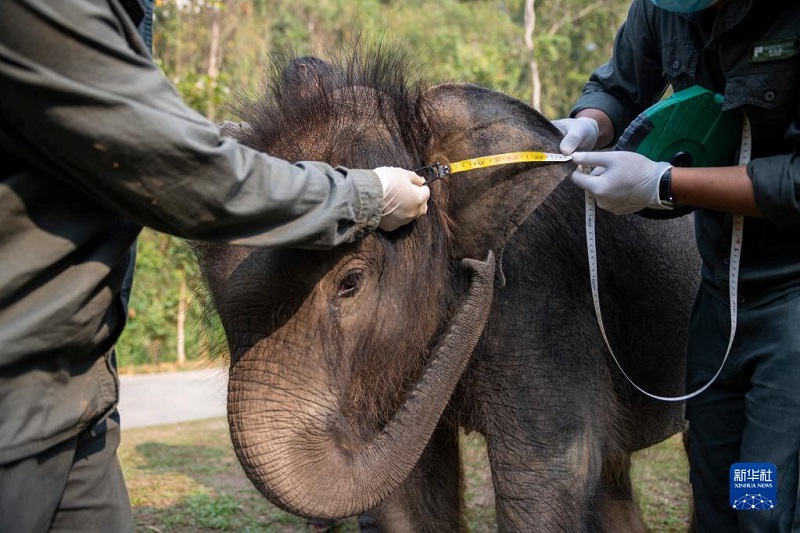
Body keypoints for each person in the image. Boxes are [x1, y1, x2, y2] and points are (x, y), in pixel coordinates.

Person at [0, 1, 430, 531]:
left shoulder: (119, 12)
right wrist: (364, 197)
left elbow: (136, 140)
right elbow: (176, 173)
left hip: (78, 385)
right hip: (13, 394)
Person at [554, 0, 800, 530]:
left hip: (791, 299)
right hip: (720, 295)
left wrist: (664, 183)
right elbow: (618, 88)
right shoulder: (665, 8)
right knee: (717, 491)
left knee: (761, 501)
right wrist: (588, 126)